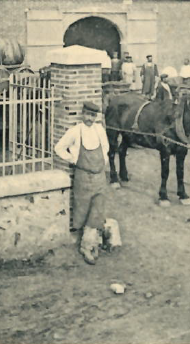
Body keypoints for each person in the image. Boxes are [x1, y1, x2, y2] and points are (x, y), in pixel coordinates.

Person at [54, 101, 122, 265]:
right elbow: (59, 148)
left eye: (93, 115)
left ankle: (90, 244)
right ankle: (87, 246)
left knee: (97, 209)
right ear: (82, 114)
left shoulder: (99, 130)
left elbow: (105, 149)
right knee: (83, 209)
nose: (89, 118)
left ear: (96, 117)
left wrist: (102, 163)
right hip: (83, 178)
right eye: (87, 115)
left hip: (99, 177)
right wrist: (73, 159)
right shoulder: (75, 131)